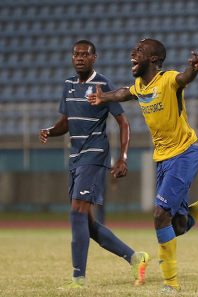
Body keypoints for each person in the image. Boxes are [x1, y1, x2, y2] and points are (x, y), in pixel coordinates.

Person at [87, 38, 198, 293]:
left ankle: (171, 285)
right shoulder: (141, 86)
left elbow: (183, 79)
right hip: (164, 159)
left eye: (140, 51)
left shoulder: (168, 79)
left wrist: (194, 70)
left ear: (153, 59)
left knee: (159, 214)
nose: (133, 53)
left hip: (185, 154)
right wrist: (104, 97)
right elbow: (124, 92)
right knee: (178, 225)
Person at [39, 40, 149, 289]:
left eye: (84, 54)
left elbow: (123, 122)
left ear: (94, 58)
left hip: (95, 156)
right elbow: (65, 122)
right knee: (86, 224)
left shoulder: (102, 84)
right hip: (75, 159)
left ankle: (78, 278)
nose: (79, 58)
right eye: (75, 54)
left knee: (77, 212)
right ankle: (135, 257)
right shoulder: (68, 85)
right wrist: (50, 130)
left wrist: (123, 157)